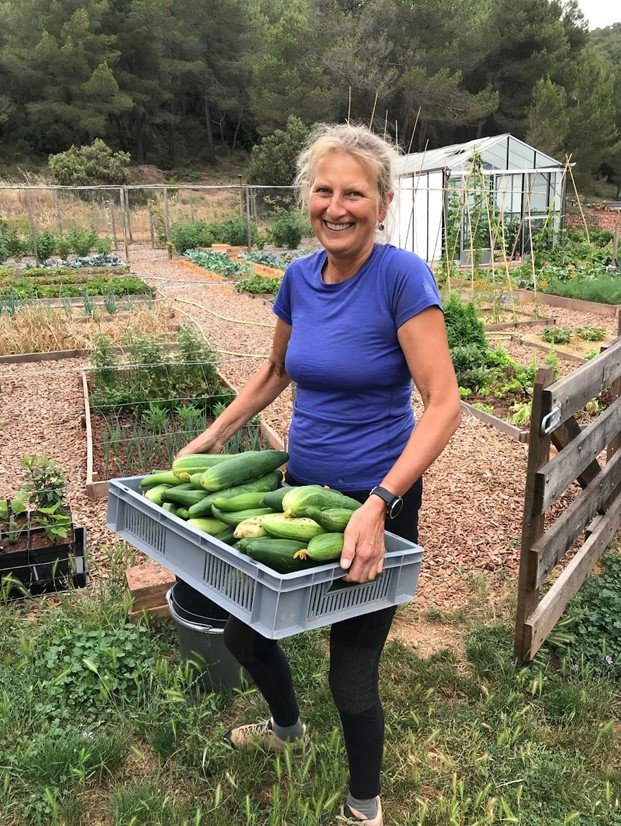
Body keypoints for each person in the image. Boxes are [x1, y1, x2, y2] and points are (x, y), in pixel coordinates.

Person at [177, 123, 461, 826]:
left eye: (354, 194)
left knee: (350, 671)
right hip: (298, 493)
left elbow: (445, 403)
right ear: (309, 198)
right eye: (324, 191)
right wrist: (208, 439)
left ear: (383, 203)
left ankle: (364, 806)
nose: (337, 207)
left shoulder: (400, 277)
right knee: (245, 630)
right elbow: (273, 371)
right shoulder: (298, 278)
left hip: (373, 505)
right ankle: (285, 730)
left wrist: (379, 501)